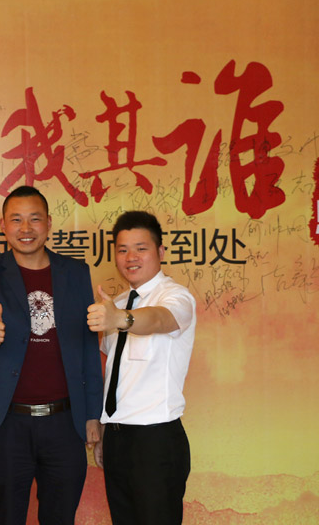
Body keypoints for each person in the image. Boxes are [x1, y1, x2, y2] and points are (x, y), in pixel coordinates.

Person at [0, 186, 103, 524]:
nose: (25, 229)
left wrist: (92, 414)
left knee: (61, 516)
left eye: (34, 219)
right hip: (6, 422)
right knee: (7, 515)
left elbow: (88, 345)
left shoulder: (75, 272)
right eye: (16, 220)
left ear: (49, 223)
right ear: (3, 225)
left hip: (64, 422)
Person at [87, 210, 196, 525]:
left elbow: (160, 319)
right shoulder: (118, 303)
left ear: (160, 252)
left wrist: (122, 319)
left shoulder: (176, 296)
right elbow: (117, 375)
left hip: (156, 441)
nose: (130, 257)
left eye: (141, 248)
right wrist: (106, 428)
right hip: (117, 438)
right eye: (122, 250)